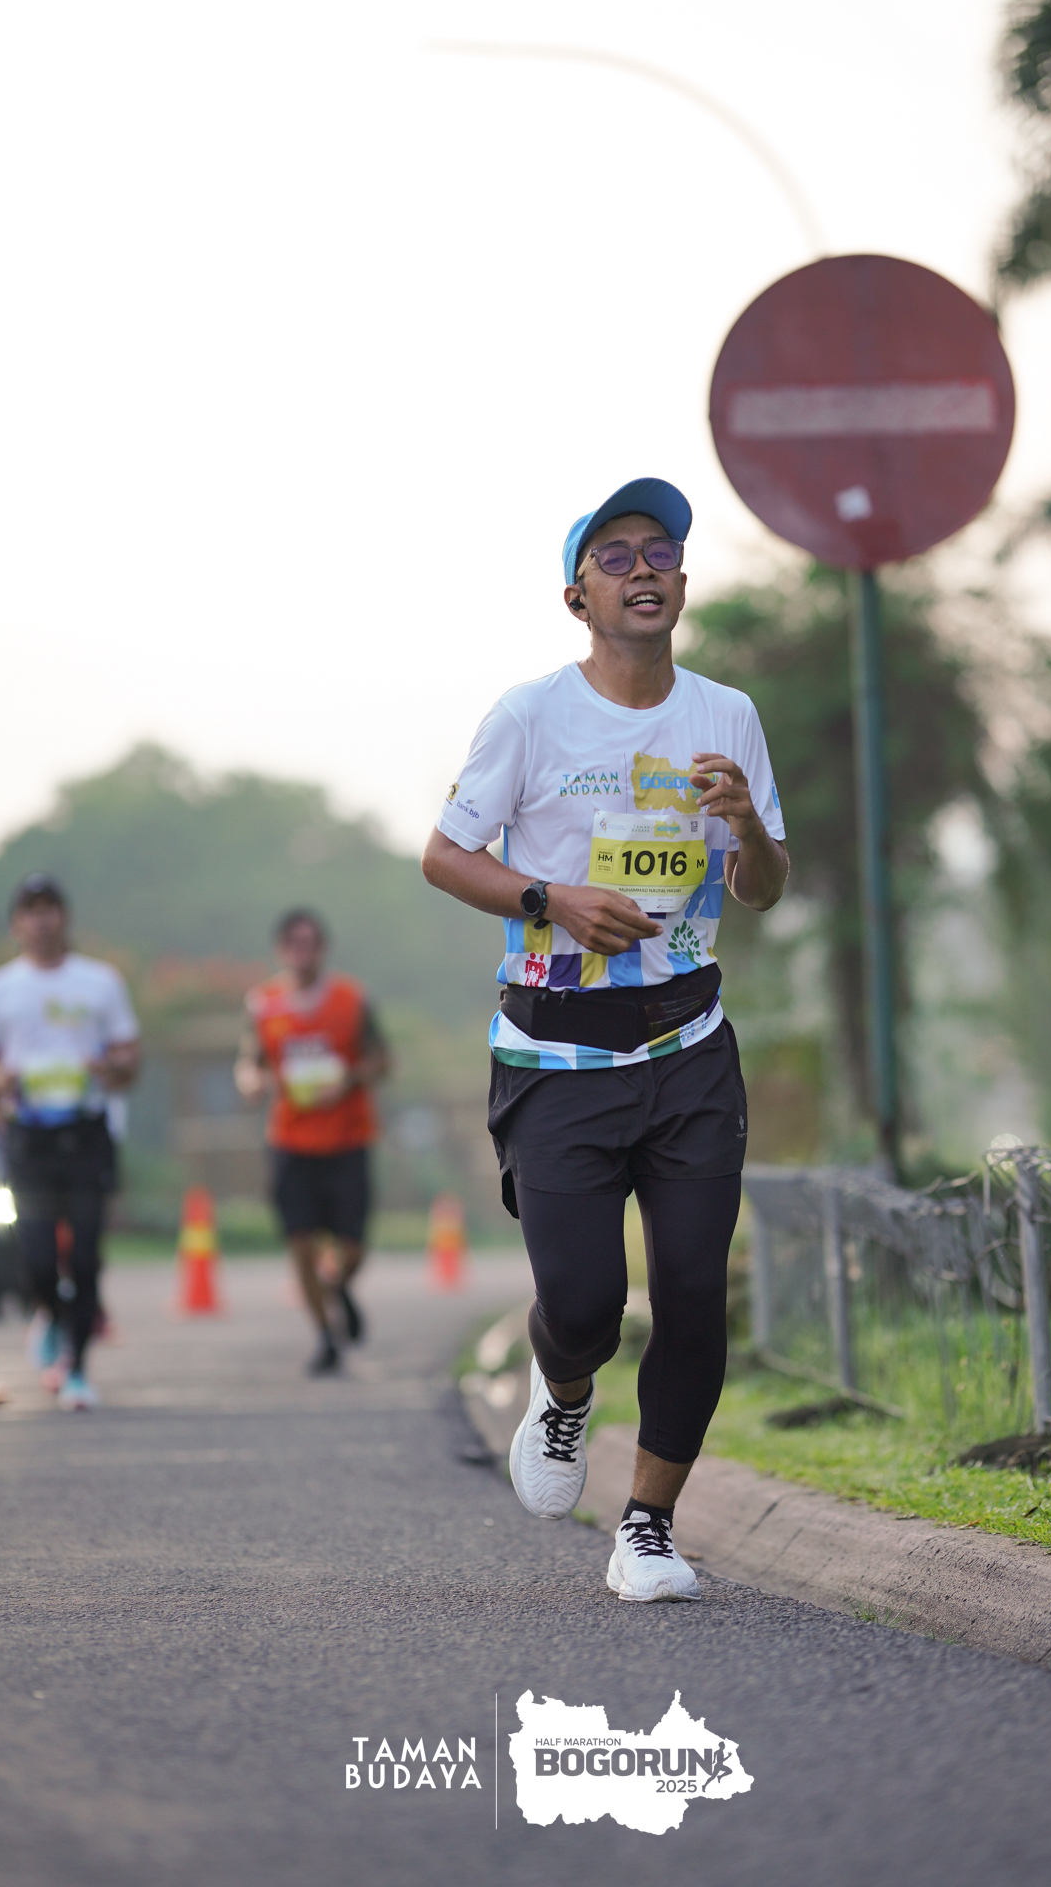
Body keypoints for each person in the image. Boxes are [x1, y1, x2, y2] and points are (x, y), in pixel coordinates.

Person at [422, 477, 788, 1602]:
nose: (642, 568)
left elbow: (764, 887)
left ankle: (648, 1528)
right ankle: (565, 1392)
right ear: (576, 595)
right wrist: (553, 900)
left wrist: (745, 825)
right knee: (582, 1306)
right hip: (556, 1055)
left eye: (659, 551)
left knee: (691, 1293)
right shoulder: (529, 715)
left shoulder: (725, 715)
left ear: (681, 581)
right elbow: (444, 856)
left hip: (688, 1045)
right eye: (615, 555)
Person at [0, 875, 141, 1409]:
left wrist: (112, 1067)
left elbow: (129, 1055)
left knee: (86, 1257)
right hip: (28, 1136)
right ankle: (52, 1313)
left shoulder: (100, 981)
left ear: (64, 917)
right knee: (38, 1256)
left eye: (49, 909)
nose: (40, 920)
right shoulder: (0, 987)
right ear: (16, 924)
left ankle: (78, 1370)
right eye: (30, 910)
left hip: (86, 1132)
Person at [236, 908, 390, 1374]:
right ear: (280, 949)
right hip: (291, 1142)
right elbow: (250, 1061)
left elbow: (382, 1061)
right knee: (301, 1244)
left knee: (352, 1248)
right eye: (293, 943)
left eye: (310, 943)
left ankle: (338, 1285)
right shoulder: (263, 1005)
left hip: (347, 1139)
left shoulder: (352, 1000)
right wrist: (251, 1081)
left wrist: (347, 1079)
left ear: (322, 949)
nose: (302, 952)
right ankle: (325, 1337)